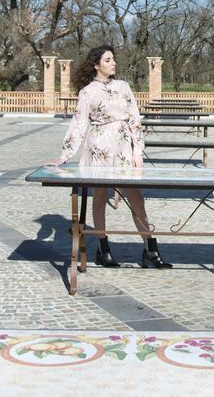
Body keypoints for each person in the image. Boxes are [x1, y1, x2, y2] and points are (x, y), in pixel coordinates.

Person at [50, 46, 171, 269]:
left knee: (136, 197)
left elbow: (135, 119)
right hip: (99, 148)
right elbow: (79, 124)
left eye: (113, 59)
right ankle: (103, 249)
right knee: (99, 197)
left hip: (124, 148)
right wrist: (64, 155)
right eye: (108, 60)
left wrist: (137, 151)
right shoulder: (88, 92)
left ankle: (150, 248)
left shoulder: (124, 87)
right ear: (96, 65)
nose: (113, 63)